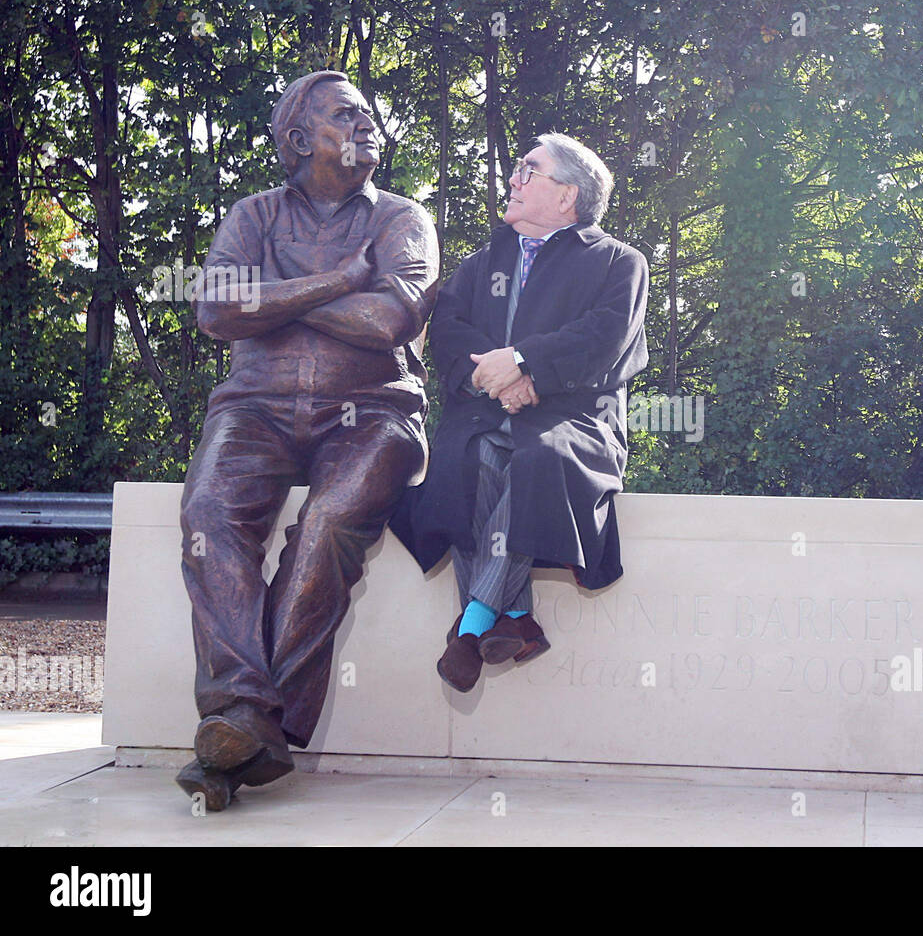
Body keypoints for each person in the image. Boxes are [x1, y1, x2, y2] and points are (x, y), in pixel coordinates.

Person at [175, 71, 439, 810]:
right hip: (254, 406)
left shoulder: (402, 218)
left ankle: (242, 721)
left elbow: (390, 321)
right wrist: (339, 281)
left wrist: (275, 301)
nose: (367, 125)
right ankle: (247, 717)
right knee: (207, 515)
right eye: (345, 116)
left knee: (326, 523)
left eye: (368, 115)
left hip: (372, 409)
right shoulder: (252, 215)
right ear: (296, 140)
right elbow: (214, 312)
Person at [389, 132, 647, 693]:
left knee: (538, 460)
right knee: (464, 459)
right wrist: (495, 380)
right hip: (486, 412)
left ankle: (472, 624)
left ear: (567, 196)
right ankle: (511, 617)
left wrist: (528, 366)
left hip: (575, 419)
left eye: (529, 170)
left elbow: (605, 337)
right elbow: (451, 329)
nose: (513, 178)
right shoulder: (483, 263)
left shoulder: (618, 262)